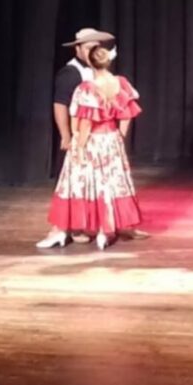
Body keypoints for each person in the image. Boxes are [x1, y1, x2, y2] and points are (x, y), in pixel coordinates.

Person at [44, 45, 143, 250]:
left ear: (90, 62)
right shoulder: (120, 83)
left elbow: (86, 122)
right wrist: (119, 136)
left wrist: (79, 147)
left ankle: (62, 230)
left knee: (80, 183)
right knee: (109, 184)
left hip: (92, 141)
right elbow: (126, 114)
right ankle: (103, 230)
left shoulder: (87, 88)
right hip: (111, 140)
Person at [37, 28, 118, 249]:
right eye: (89, 47)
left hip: (98, 140)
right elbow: (60, 105)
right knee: (72, 183)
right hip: (79, 136)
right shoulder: (71, 74)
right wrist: (66, 134)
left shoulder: (100, 74)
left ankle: (85, 225)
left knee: (94, 183)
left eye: (97, 47)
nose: (94, 51)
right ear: (78, 49)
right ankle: (63, 228)